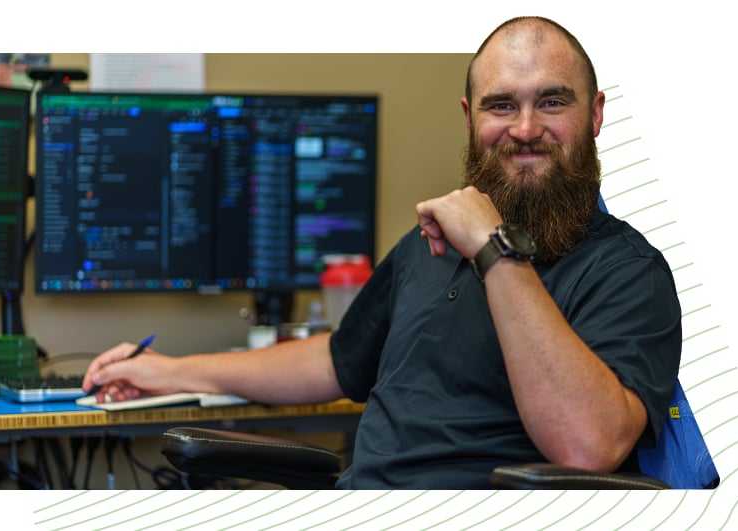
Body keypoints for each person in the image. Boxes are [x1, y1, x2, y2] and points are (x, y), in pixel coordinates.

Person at [83, 16, 682, 489]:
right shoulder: (428, 248)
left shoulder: (628, 272)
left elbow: (589, 445)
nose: (524, 128)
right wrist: (168, 372)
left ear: (596, 114)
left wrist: (494, 249)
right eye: (502, 105)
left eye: (552, 102)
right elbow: (334, 362)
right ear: (471, 120)